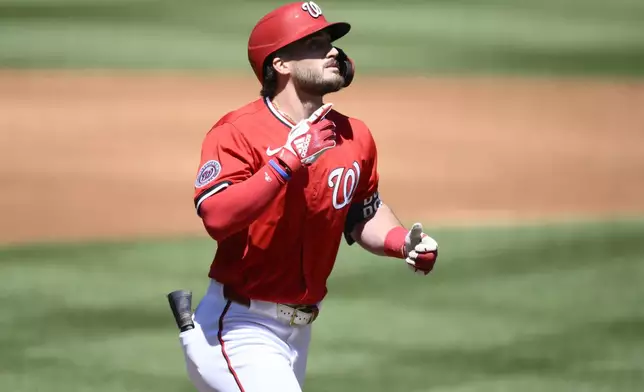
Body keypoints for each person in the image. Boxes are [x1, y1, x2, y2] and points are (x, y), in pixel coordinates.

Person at [178, 2, 439, 391]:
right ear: (280, 63)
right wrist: (286, 162)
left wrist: (403, 243)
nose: (333, 50)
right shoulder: (237, 132)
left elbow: (361, 212)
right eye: (315, 44)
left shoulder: (354, 135)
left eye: (331, 42)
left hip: (298, 335)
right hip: (238, 326)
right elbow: (216, 216)